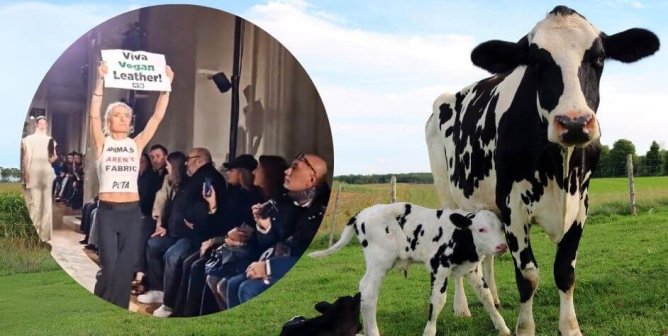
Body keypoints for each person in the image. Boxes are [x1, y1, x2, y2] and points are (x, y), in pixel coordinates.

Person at [90, 61, 173, 309]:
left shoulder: (136, 144)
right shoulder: (103, 143)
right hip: (107, 212)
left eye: (127, 115)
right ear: (109, 120)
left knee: (125, 269)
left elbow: (157, 117)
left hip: (131, 212)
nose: (124, 119)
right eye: (118, 114)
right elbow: (93, 114)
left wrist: (166, 86)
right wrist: (100, 81)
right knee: (110, 267)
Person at [224, 153, 330, 309]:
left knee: (248, 289)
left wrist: (269, 267)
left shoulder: (322, 211)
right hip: (280, 262)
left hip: (303, 275)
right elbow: (279, 241)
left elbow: (314, 260)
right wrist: (265, 227)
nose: (287, 171)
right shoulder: (292, 201)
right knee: (233, 284)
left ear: (311, 180)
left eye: (295, 168)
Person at [139, 147, 226, 317]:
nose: (187, 162)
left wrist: (191, 219)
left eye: (190, 158)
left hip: (193, 236)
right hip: (176, 232)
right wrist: (163, 224)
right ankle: (158, 289)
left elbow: (206, 206)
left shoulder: (209, 178)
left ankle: (169, 303)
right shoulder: (193, 178)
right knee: (153, 244)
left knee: (172, 256)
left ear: (199, 160)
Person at [132, 145, 168, 294]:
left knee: (142, 232)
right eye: (152, 157)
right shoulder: (152, 175)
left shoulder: (169, 175)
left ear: (166, 157)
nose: (155, 160)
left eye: (158, 156)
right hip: (149, 215)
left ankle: (140, 275)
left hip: (161, 219)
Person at [21, 116, 57, 243]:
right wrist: (26, 174)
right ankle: (33, 232)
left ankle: (44, 235)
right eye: (40, 123)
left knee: (47, 204)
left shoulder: (50, 140)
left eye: (44, 123)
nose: (42, 125)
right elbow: (27, 158)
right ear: (36, 124)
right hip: (34, 171)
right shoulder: (28, 139)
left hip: (46, 171)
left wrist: (52, 155)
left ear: (46, 125)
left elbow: (52, 158)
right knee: (35, 203)